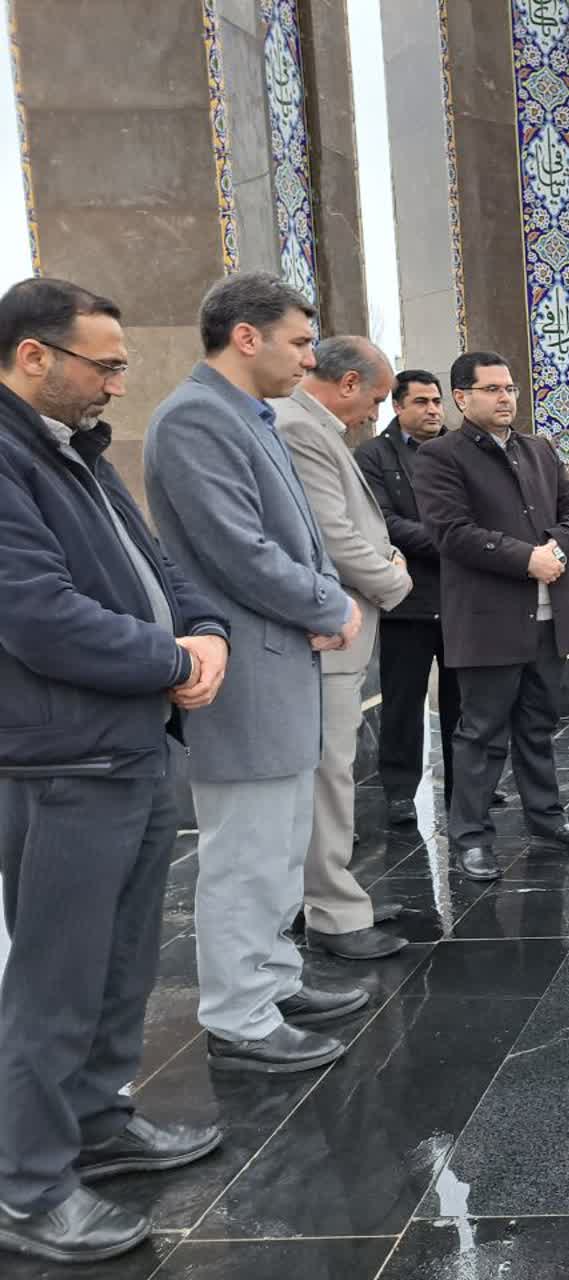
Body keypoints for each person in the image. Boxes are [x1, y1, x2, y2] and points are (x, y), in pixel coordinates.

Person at [0, 279, 226, 1264]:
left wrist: (204, 627)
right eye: (105, 363)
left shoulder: (76, 453)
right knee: (54, 981)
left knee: (122, 962)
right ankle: (27, 1184)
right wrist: (172, 661)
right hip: (60, 762)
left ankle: (97, 1120)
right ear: (33, 355)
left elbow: (156, 567)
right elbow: (37, 612)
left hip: (127, 750)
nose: (118, 383)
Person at [145, 272, 370, 1074]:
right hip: (244, 669)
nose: (310, 358)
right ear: (247, 337)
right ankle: (240, 1015)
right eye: (300, 341)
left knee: (279, 843)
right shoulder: (196, 420)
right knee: (244, 848)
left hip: (281, 666)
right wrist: (327, 603)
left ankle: (271, 978)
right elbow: (238, 549)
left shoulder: (250, 416)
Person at [412, 350, 569, 878]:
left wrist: (557, 550)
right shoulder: (440, 457)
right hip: (489, 619)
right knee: (482, 732)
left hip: (549, 615)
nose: (505, 398)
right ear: (462, 397)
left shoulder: (537, 449)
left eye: (510, 388)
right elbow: (450, 532)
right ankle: (470, 839)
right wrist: (526, 559)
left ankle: (546, 819)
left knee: (539, 724)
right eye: (492, 389)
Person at [275, 337, 413, 962]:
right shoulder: (300, 427)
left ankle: (334, 894)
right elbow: (332, 534)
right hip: (332, 627)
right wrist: (395, 579)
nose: (374, 415)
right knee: (329, 772)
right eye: (378, 400)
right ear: (350, 383)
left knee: (334, 768)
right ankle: (332, 911)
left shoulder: (315, 426)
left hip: (344, 627)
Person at [357, 371, 468, 826]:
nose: (433, 410)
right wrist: (454, 539)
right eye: (421, 401)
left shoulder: (461, 451)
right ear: (398, 406)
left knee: (465, 701)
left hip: (462, 597)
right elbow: (382, 522)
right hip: (407, 600)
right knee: (403, 701)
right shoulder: (374, 456)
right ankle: (400, 791)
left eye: (437, 401)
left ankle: (467, 786)